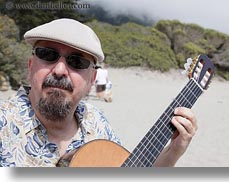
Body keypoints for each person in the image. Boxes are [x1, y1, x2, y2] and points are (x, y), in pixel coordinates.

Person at [0, 18, 198, 167]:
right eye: (47, 54)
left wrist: (173, 151)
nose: (59, 70)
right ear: (30, 66)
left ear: (92, 80)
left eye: (77, 62)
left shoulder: (96, 121)